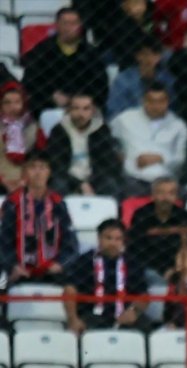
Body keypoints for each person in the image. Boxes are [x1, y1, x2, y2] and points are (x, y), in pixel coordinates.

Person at [0, 152, 79, 287]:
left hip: (53, 270)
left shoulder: (58, 203)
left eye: (43, 167)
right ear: (24, 172)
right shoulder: (13, 203)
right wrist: (13, 265)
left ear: (49, 172)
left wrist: (60, 264)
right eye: (33, 167)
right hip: (20, 271)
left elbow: (70, 241)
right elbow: (3, 241)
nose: (38, 172)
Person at [63, 219, 150, 333]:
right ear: (99, 238)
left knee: (145, 326)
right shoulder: (85, 261)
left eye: (118, 239)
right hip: (93, 316)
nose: (113, 243)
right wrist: (73, 319)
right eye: (108, 238)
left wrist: (134, 311)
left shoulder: (132, 262)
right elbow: (70, 290)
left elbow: (144, 295)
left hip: (125, 316)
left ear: (123, 241)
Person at [22, 7, 108, 116]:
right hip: (50, 107)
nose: (69, 27)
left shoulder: (91, 54)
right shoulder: (42, 51)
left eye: (74, 23)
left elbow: (101, 85)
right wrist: (51, 96)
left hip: (84, 108)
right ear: (57, 25)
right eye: (65, 23)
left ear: (80, 25)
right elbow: (29, 82)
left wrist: (80, 99)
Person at [110, 82, 187, 197]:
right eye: (151, 101)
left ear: (167, 102)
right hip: (133, 179)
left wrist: (161, 159)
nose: (156, 106)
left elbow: (181, 159)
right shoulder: (125, 119)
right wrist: (119, 155)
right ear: (143, 100)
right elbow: (108, 138)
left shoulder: (178, 125)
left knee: (185, 196)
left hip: (166, 181)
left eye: (160, 101)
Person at [127, 176, 187, 290]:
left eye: (171, 193)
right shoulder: (141, 215)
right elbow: (137, 250)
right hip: (149, 266)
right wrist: (164, 269)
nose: (166, 198)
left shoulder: (186, 217)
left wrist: (175, 268)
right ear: (153, 195)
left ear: (176, 196)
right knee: (158, 285)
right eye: (161, 193)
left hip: (179, 266)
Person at [106, 36, 175, 121]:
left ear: (159, 57)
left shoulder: (168, 80)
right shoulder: (122, 80)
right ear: (138, 56)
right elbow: (114, 110)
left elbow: (173, 109)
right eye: (145, 54)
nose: (149, 59)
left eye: (154, 54)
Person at [0, 84, 36, 193]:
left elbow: (37, 158)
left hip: (27, 179)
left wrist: (25, 179)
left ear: (23, 103)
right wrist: (3, 181)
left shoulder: (32, 126)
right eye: (7, 102)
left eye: (17, 102)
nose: (13, 107)